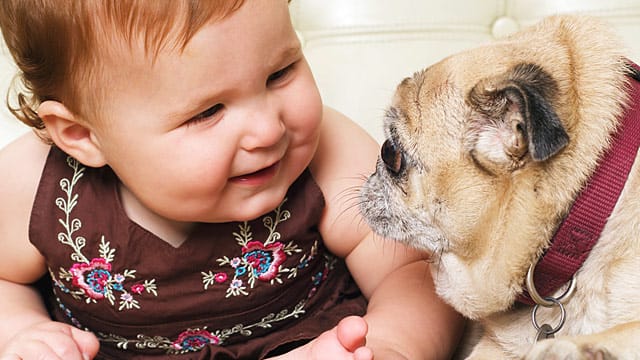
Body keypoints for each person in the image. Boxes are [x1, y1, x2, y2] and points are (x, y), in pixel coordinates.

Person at [0, 1, 463, 359]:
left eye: (280, 73)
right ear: (83, 135)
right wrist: (22, 330)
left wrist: (392, 345)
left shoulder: (327, 152)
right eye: (208, 111)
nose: (268, 129)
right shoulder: (36, 186)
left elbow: (414, 271)